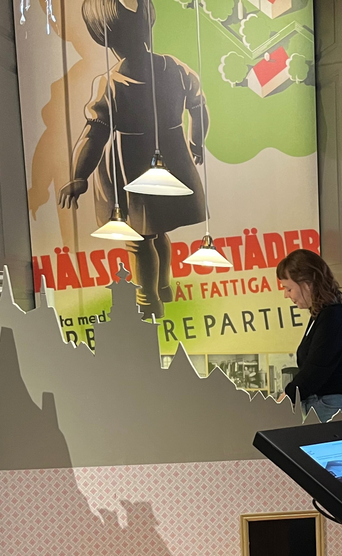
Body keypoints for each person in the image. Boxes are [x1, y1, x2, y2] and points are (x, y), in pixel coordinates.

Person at [59, 0, 207, 319]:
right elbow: (198, 107)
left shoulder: (110, 82)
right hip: (171, 158)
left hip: (133, 165)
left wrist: (79, 176)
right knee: (158, 231)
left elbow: (94, 134)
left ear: (104, 37)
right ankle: (162, 288)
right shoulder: (176, 68)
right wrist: (196, 143)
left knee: (139, 239)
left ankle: (148, 300)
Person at [277, 249, 342, 421]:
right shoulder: (320, 317)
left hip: (335, 408)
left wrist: (283, 400)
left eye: (289, 288)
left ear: (307, 284)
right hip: (325, 407)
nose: (286, 295)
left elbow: (314, 371)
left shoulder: (334, 316)